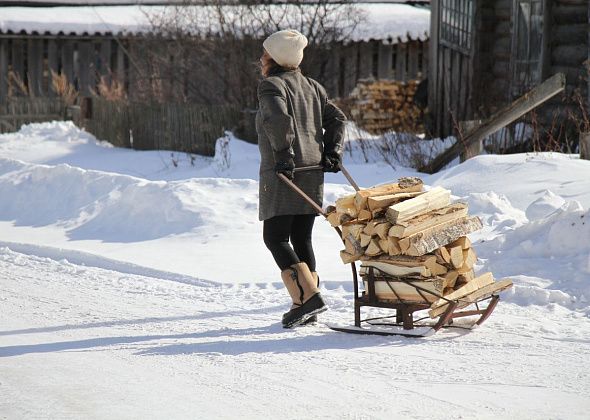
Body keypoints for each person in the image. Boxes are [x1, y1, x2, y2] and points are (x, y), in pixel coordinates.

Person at [256, 29, 347, 328]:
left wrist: (283, 154)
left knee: (275, 237)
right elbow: (338, 118)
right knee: (301, 237)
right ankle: (304, 302)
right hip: (311, 172)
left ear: (275, 58)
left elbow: (277, 119)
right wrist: (332, 151)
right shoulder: (313, 86)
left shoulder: (271, 86)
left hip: (285, 172)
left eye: (266, 54)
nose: (261, 59)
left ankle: (309, 297)